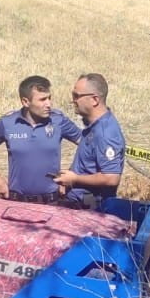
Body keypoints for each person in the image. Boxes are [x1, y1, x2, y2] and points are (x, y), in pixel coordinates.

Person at [0, 75, 81, 203]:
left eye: (49, 98)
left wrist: (72, 174)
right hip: (16, 201)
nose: (48, 104)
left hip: (51, 202)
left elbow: (87, 145)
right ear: (25, 102)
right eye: (42, 99)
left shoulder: (58, 121)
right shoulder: (8, 123)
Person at [54, 72, 125, 208]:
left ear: (94, 100)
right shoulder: (94, 126)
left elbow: (111, 178)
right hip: (78, 203)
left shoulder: (105, 133)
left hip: (89, 207)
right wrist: (68, 179)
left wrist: (75, 179)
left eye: (76, 96)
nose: (73, 101)